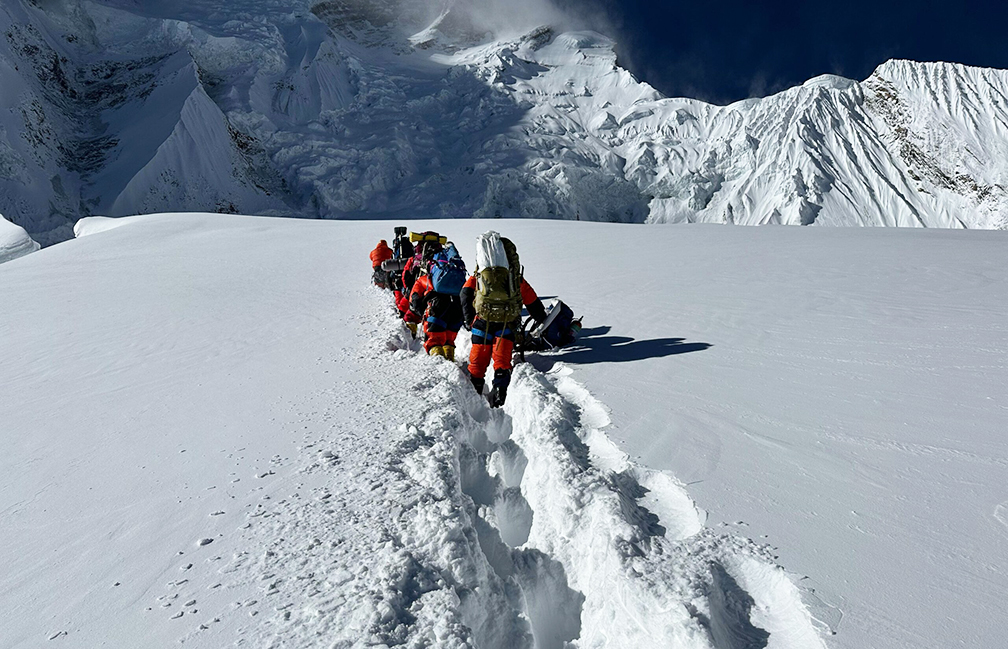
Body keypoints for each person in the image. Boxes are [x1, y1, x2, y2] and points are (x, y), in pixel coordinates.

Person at [461, 232, 547, 407]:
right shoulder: (514, 278)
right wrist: (541, 317)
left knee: (477, 361)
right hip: (507, 323)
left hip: (482, 322)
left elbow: (465, 293)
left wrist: (469, 319)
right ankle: (500, 400)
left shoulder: (479, 276)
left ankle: (473, 401)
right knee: (502, 361)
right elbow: (531, 299)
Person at [406, 243, 466, 360]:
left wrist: (416, 304)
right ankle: (450, 361)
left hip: (438, 305)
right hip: (457, 305)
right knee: (449, 338)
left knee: (434, 339)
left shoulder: (428, 278)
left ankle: (438, 364)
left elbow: (415, 292)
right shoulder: (455, 272)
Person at [398, 231, 444, 337]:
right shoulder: (442, 257)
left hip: (419, 290)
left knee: (410, 316)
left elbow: (405, 275)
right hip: (440, 292)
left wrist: (408, 289)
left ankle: (412, 337)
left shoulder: (416, 258)